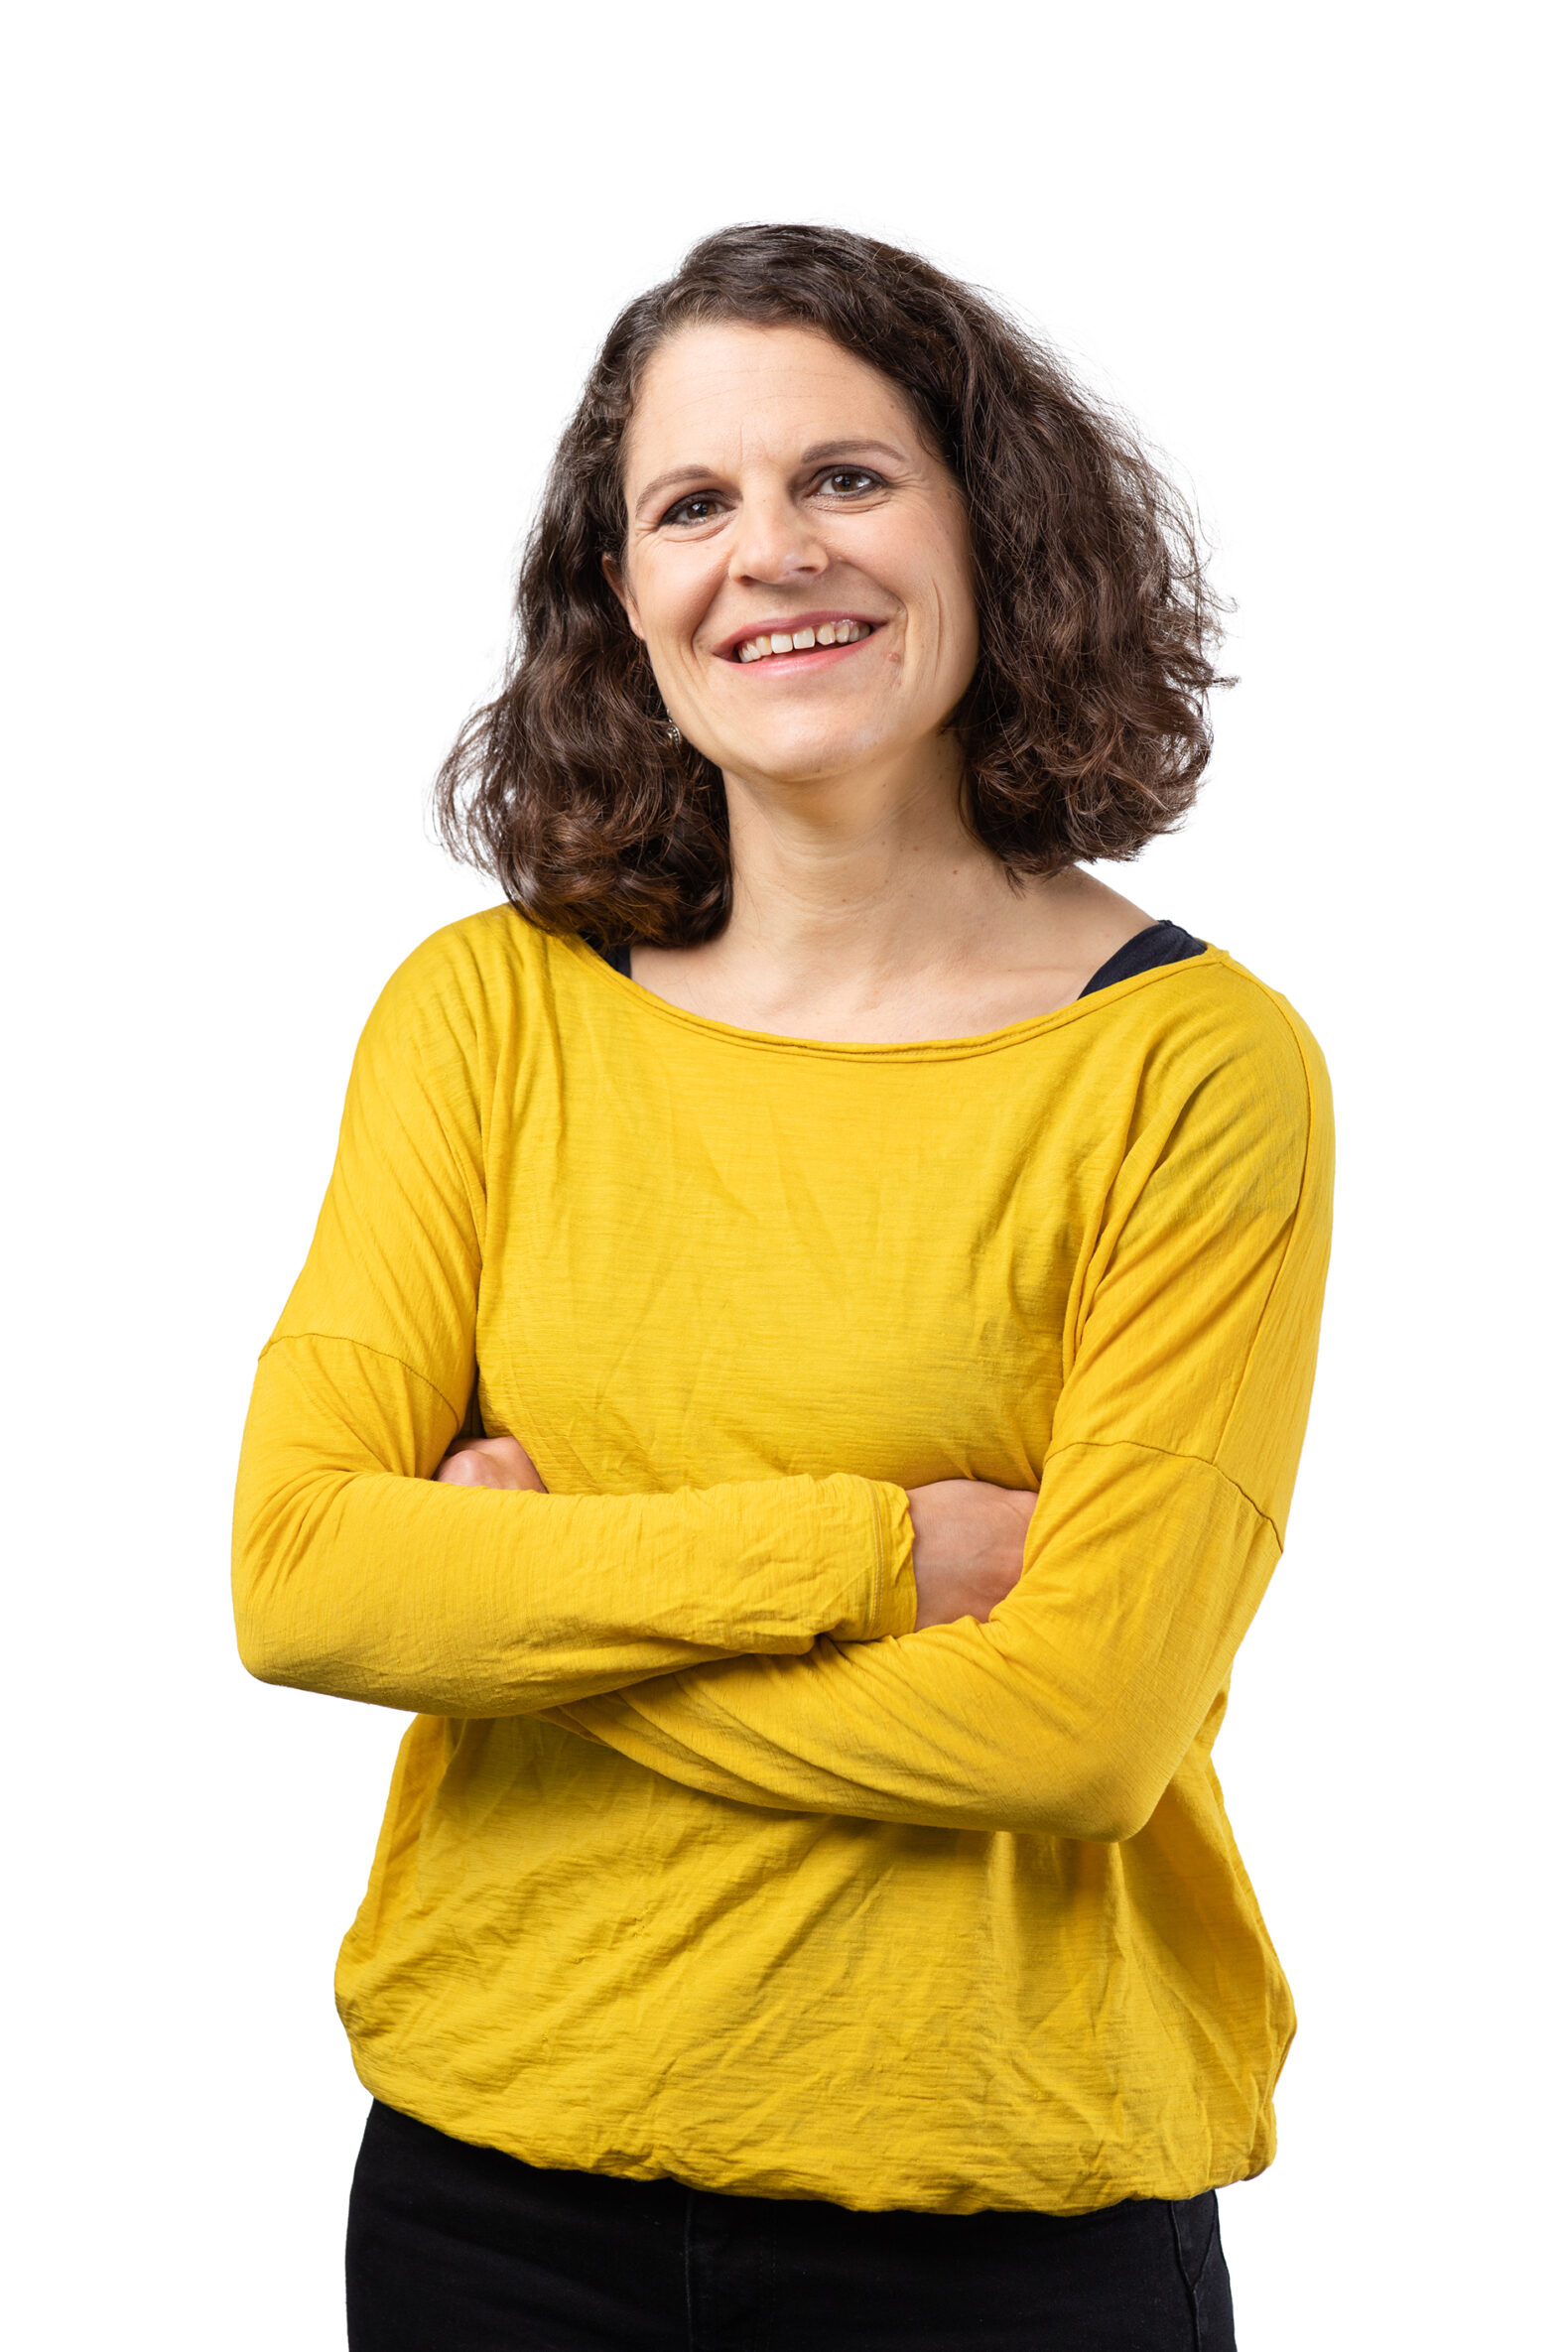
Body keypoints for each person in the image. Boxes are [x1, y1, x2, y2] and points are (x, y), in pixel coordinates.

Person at [232, 222, 1333, 2351]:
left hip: (1004, 2221)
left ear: (991, 526)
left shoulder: (1194, 1068)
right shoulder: (485, 1016)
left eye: (845, 476)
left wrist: (523, 1622)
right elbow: (300, 1579)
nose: (770, 554)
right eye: (691, 504)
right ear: (622, 592)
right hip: (491, 2200)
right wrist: (872, 1557)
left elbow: (1078, 1731)